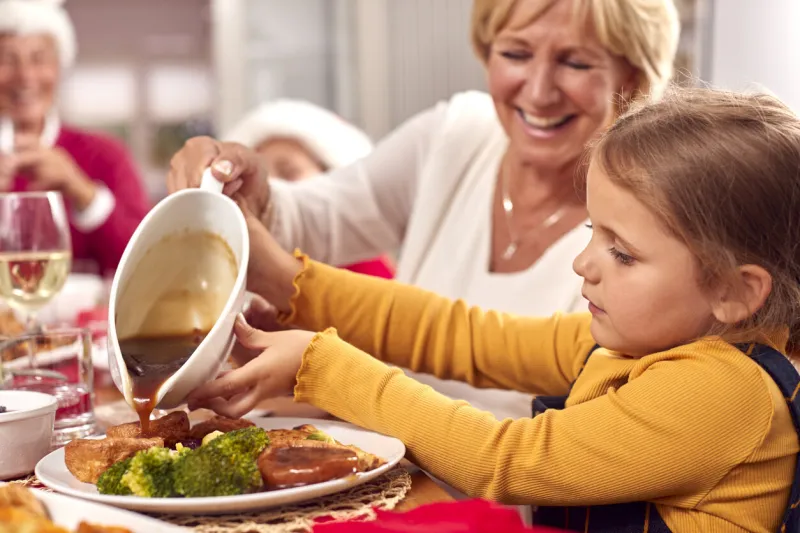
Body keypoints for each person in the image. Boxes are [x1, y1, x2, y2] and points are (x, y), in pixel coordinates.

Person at [187, 87, 800, 532]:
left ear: (736, 291)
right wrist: (290, 281)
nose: (584, 263)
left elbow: (508, 459)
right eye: (593, 230)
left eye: (624, 253)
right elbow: (465, 336)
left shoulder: (723, 391)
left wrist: (325, 366)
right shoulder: (644, 341)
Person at [167, 0, 680, 420]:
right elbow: (316, 220)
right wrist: (250, 189)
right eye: (516, 54)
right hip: (385, 467)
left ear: (632, 78)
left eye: (575, 63)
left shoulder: (645, 234)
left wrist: (313, 345)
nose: (540, 91)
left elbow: (532, 438)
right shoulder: (458, 133)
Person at [0, 0, 149, 276]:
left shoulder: (106, 155)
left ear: (59, 67)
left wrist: (81, 189)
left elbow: (148, 262)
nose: (25, 76)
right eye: (7, 59)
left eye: (39, 58)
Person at [224, 99, 393, 279]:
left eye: (288, 172)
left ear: (333, 174)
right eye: (253, 178)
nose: (271, 185)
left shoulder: (371, 275)